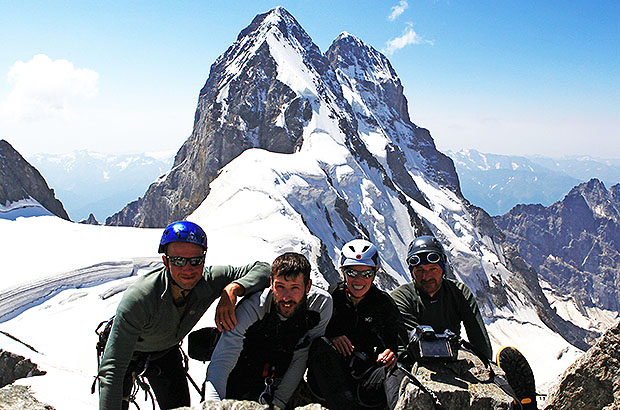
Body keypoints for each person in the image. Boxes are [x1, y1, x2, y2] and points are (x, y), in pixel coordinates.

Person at [98, 220, 271, 410]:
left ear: (203, 260)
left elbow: (263, 269)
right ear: (165, 262)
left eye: (195, 261)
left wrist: (233, 289)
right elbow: (113, 370)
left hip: (165, 353)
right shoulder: (140, 299)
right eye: (178, 261)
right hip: (128, 355)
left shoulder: (209, 280)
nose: (188, 269)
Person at [203, 252, 332, 409]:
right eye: (280, 287)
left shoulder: (320, 305)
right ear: (271, 283)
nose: (286, 297)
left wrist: (278, 403)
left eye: (294, 288)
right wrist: (214, 406)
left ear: (308, 287)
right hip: (241, 372)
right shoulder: (254, 307)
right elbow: (223, 361)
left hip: (280, 375)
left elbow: (302, 354)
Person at [307, 239, 405, 410]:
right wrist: (330, 337)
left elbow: (400, 342)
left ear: (374, 274)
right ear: (343, 272)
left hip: (367, 379)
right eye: (352, 273)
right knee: (320, 345)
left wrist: (392, 353)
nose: (359, 280)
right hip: (330, 379)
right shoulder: (330, 298)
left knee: (396, 369)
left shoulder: (383, 304)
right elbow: (311, 335)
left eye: (366, 274)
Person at [390, 235, 493, 361]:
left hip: (452, 358)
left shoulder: (459, 293)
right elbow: (417, 344)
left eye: (433, 269)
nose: (426, 277)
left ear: (443, 269)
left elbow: (479, 339)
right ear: (412, 272)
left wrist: (487, 365)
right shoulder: (401, 298)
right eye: (420, 270)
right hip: (413, 361)